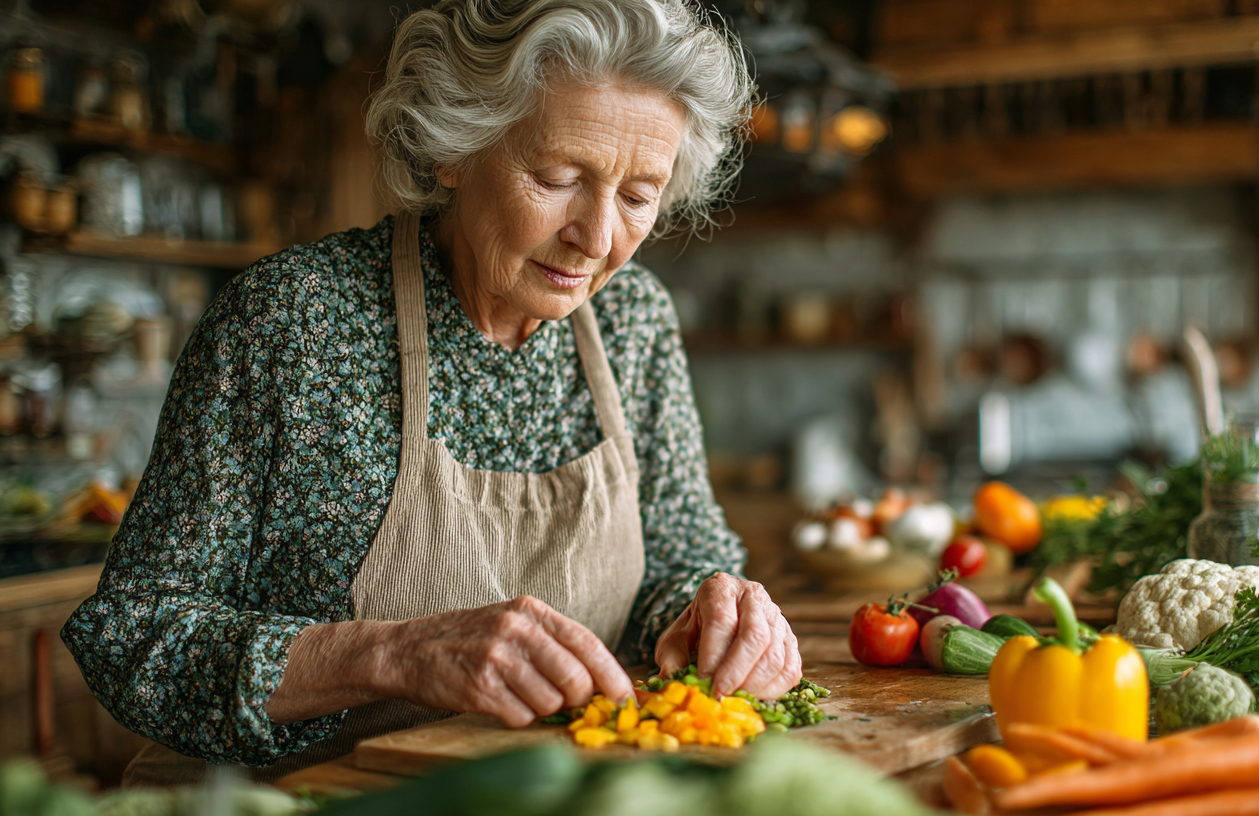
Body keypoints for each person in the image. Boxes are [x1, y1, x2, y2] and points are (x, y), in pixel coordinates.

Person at [62, 0, 800, 785]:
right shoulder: (296, 322)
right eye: (558, 177)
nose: (597, 237)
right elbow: (134, 635)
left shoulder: (633, 320)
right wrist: (390, 653)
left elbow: (682, 556)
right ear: (454, 148)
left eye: (638, 195)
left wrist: (713, 614)